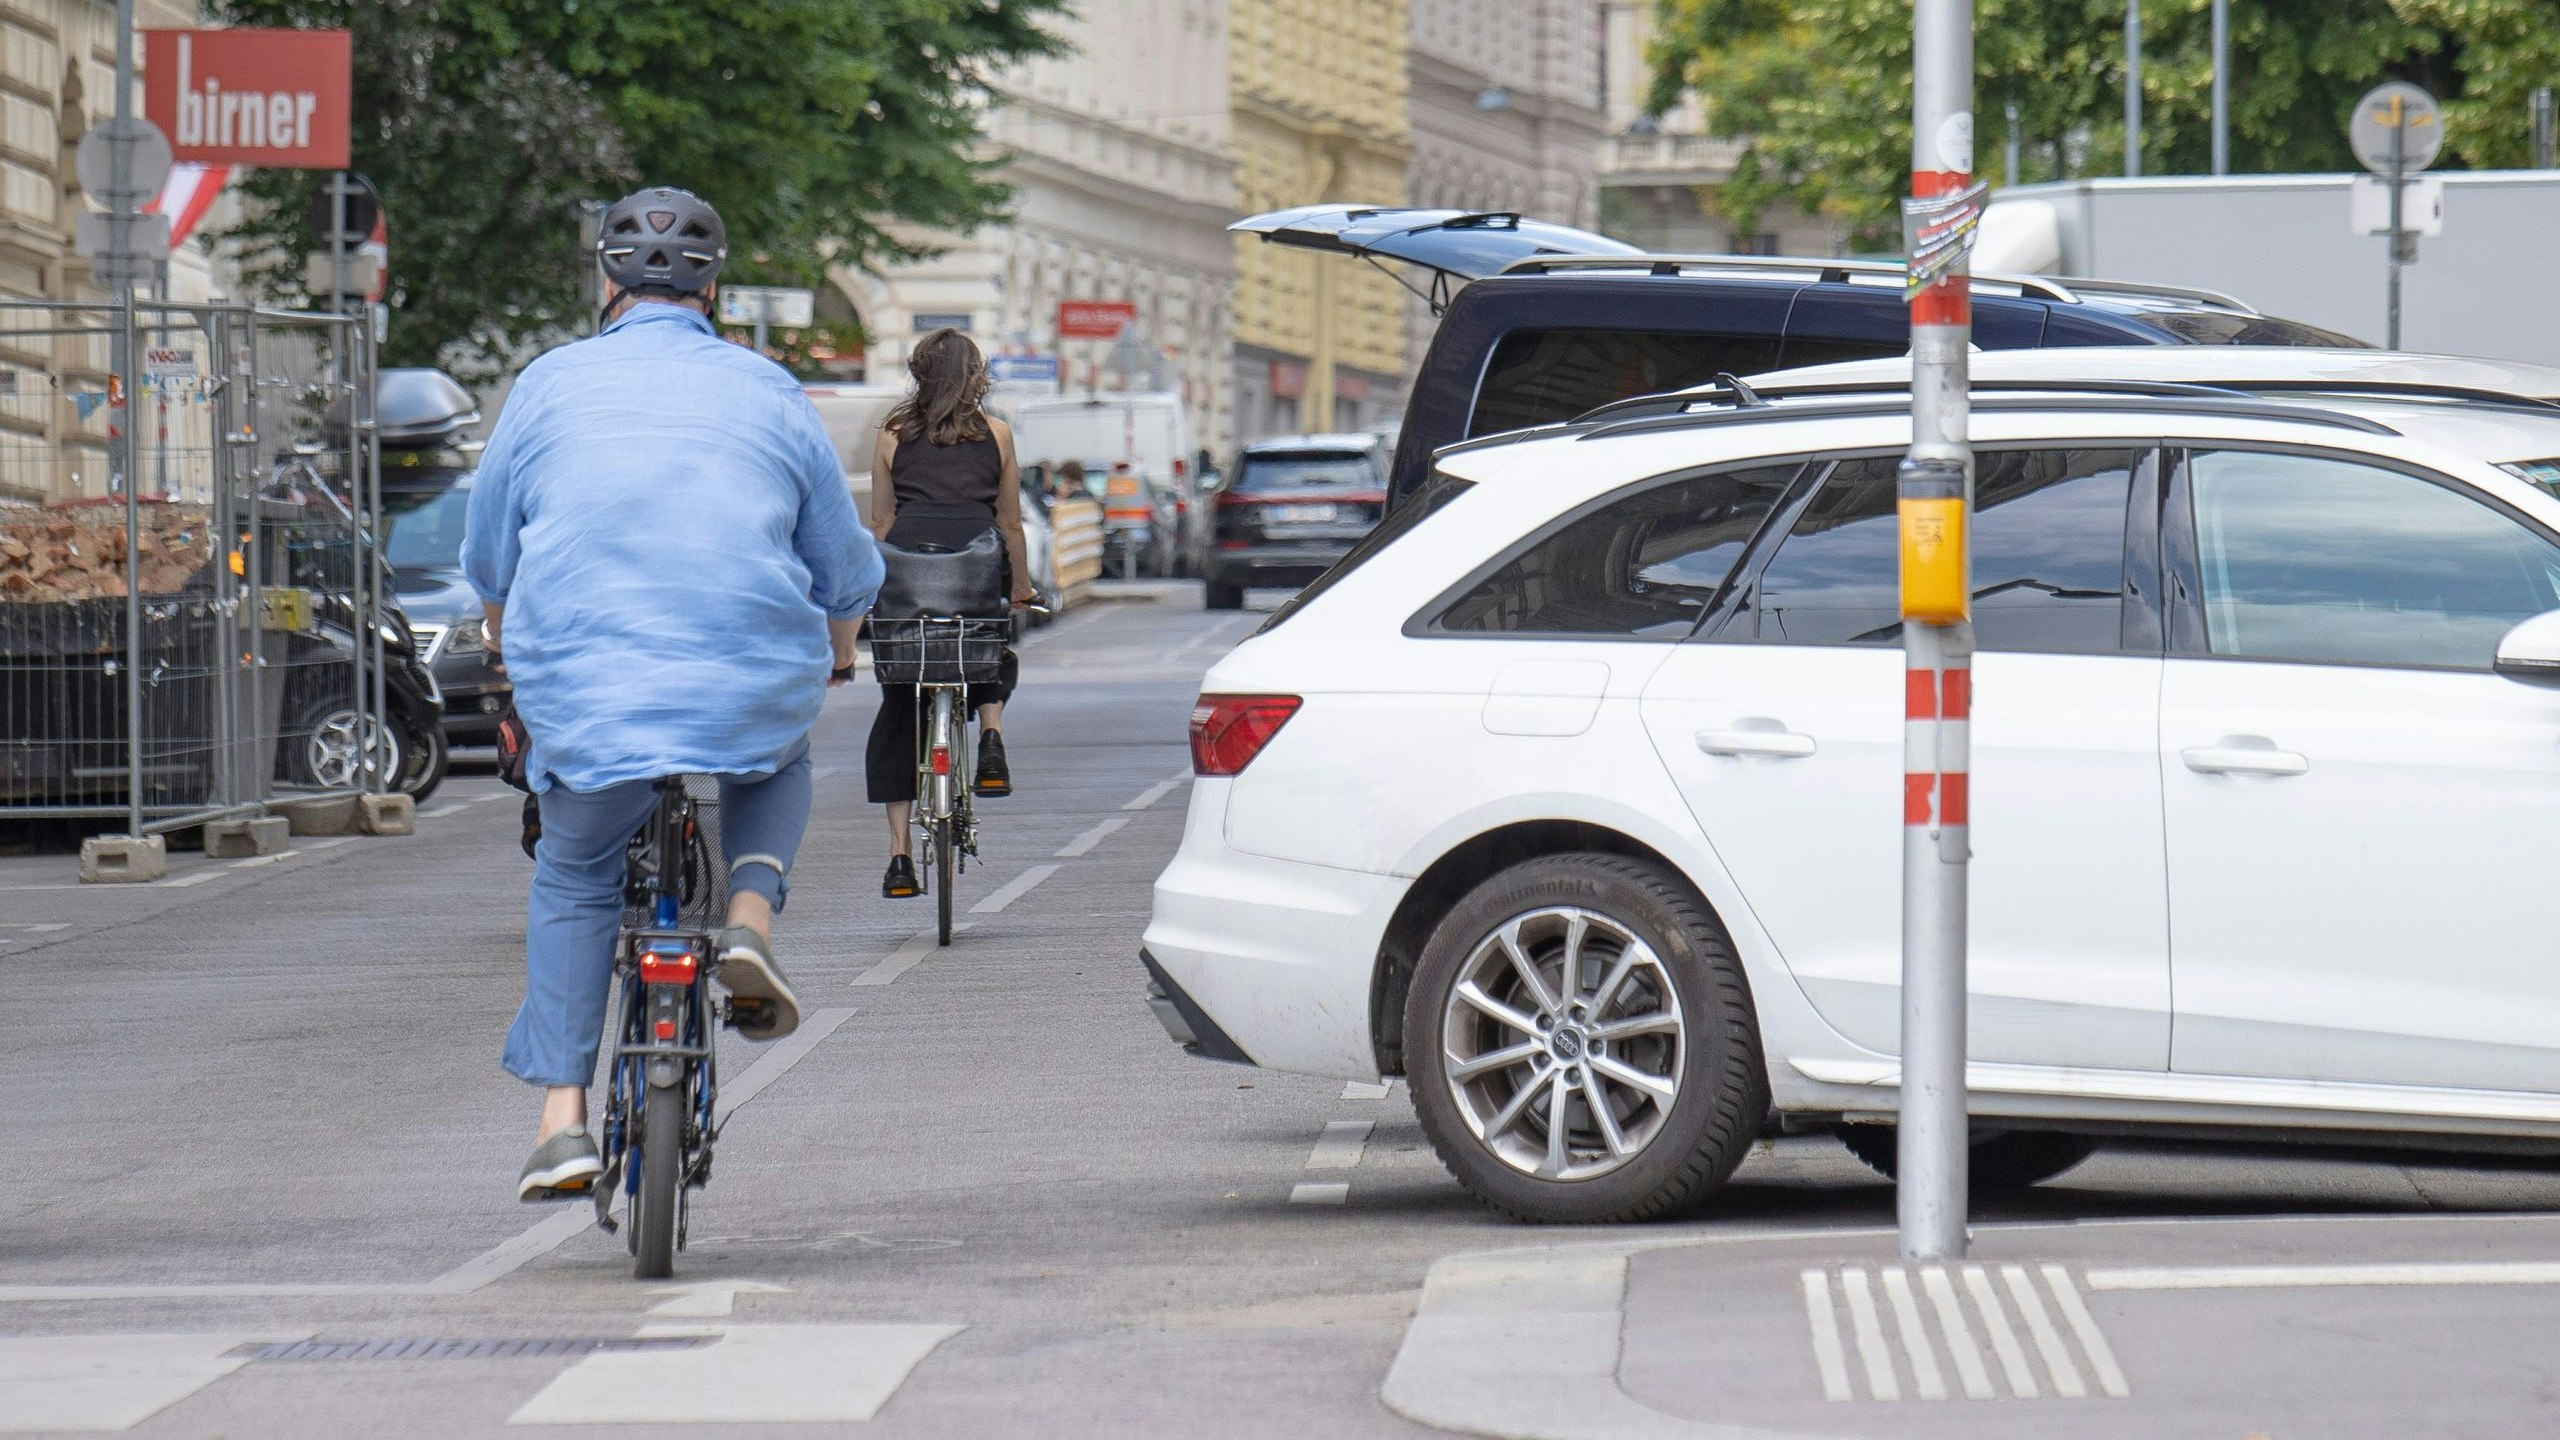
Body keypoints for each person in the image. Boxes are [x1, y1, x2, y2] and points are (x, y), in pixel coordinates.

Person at [462, 186, 884, 1202]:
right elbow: (843, 569)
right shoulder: (772, 391)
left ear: (605, 283)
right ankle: (748, 921)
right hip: (744, 672)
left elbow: (489, 554)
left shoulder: (547, 384)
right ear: (713, 290)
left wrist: (503, 631)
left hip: (589, 687)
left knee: (575, 872)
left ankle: (561, 1122)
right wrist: (836, 652)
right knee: (774, 753)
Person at [867, 327, 1039, 899]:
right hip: (976, 566)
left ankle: (898, 859)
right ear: (975, 376)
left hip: (907, 571)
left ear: (919, 373)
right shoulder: (997, 433)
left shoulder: (892, 434)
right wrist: (1021, 585)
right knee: (988, 645)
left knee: (899, 704)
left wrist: (879, 588)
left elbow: (881, 523)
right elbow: (1010, 521)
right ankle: (990, 739)